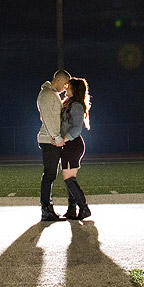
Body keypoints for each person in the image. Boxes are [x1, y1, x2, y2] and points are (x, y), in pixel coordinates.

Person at [36, 69, 70, 221]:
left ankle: (47, 209)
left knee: (51, 174)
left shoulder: (52, 94)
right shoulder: (47, 94)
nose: (65, 87)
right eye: (64, 83)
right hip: (49, 140)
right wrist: (56, 137)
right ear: (58, 79)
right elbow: (49, 119)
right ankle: (46, 210)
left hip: (52, 139)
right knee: (49, 174)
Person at [59, 76, 92, 220]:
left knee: (68, 178)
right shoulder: (69, 102)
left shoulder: (77, 105)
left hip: (73, 145)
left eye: (69, 86)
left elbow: (76, 128)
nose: (66, 88)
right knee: (69, 178)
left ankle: (84, 208)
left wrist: (62, 139)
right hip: (69, 145)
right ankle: (72, 210)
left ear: (75, 89)